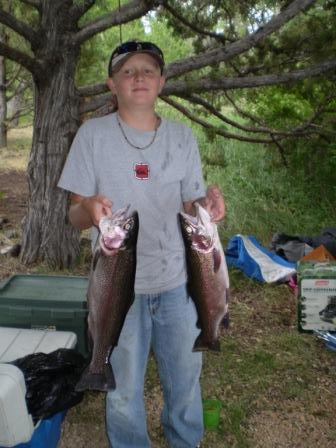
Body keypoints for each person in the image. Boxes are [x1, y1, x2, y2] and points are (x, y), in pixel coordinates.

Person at [58, 40, 225, 448]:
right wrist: (91, 209)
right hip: (115, 291)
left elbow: (191, 204)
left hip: (180, 285)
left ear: (162, 82)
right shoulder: (91, 136)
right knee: (124, 393)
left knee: (185, 385)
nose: (139, 78)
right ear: (112, 83)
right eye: (128, 71)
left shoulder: (183, 137)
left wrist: (208, 206)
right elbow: (73, 214)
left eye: (148, 71)